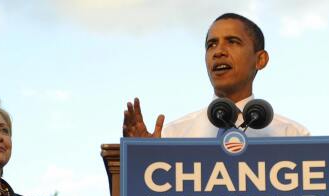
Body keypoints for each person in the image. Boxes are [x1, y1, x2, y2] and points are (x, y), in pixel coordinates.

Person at [123, 12, 309, 138]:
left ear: (260, 59)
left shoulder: (290, 134)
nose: (218, 51)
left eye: (232, 42)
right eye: (211, 44)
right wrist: (144, 155)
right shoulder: (174, 136)